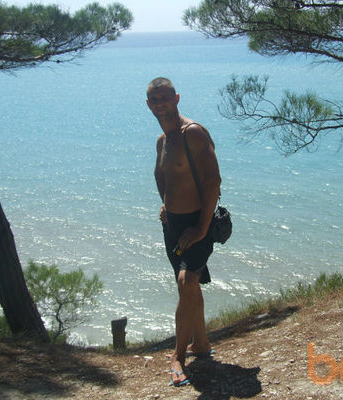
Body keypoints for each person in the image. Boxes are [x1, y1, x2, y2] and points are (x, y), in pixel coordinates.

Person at [148, 77, 221, 386]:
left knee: (186, 281)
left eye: (165, 97)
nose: (161, 104)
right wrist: (165, 204)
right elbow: (161, 176)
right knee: (189, 287)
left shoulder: (193, 133)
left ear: (177, 98)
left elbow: (213, 182)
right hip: (173, 224)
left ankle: (178, 355)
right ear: (148, 105)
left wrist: (202, 228)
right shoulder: (162, 141)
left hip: (197, 221)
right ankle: (201, 343)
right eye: (155, 100)